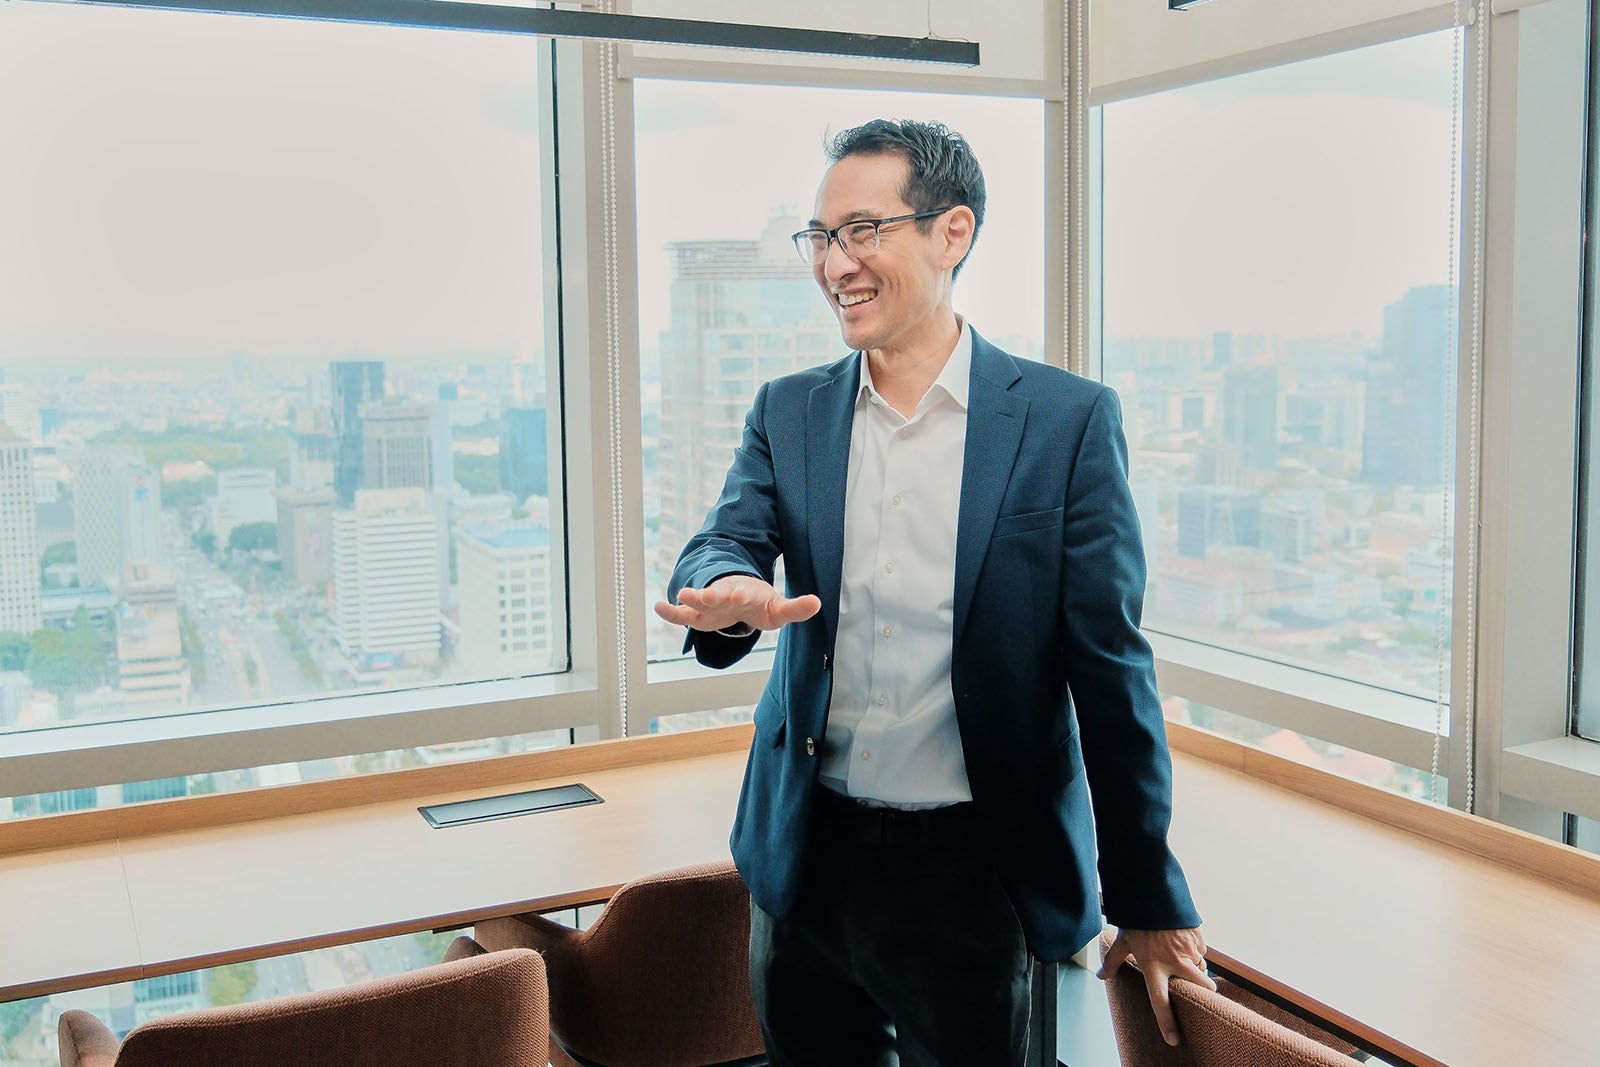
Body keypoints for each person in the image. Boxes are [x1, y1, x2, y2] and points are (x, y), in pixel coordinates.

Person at [654, 118, 1212, 1067]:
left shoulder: (1064, 423)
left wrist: (1148, 898)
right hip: (806, 863)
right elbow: (728, 539)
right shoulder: (789, 410)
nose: (838, 265)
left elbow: (1111, 669)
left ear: (952, 233)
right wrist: (725, 585)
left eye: (863, 230)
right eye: (822, 238)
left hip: (976, 876)